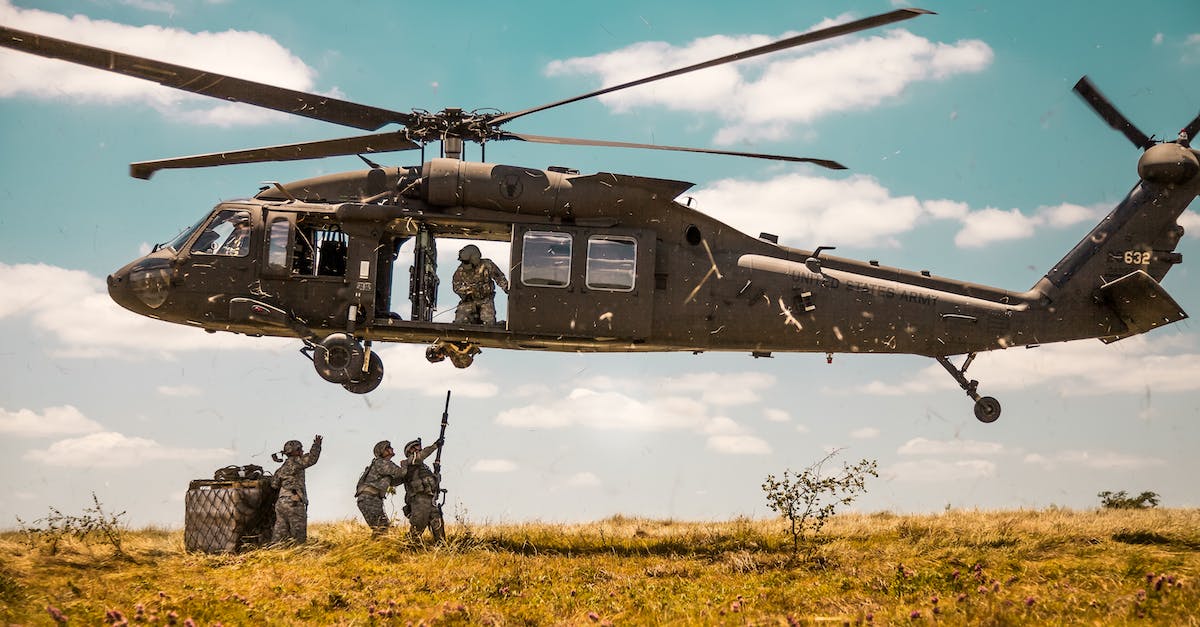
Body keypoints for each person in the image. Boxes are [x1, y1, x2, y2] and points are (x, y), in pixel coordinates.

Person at [269, 435, 322, 544]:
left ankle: (274, 554)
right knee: (299, 538)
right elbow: (312, 459)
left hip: (281, 504)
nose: (302, 451)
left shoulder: (281, 469)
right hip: (294, 503)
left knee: (279, 537)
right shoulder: (297, 462)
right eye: (300, 449)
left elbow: (274, 485)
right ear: (295, 451)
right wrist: (316, 445)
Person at [354, 440, 406, 536]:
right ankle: (372, 549)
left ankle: (374, 548)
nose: (392, 449)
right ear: (382, 451)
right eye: (388, 448)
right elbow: (401, 472)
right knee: (381, 528)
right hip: (369, 499)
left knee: (382, 528)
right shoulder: (381, 463)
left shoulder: (385, 464)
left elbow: (395, 481)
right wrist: (407, 464)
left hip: (372, 499)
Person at [400, 437, 445, 544]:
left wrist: (436, 473)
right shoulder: (409, 462)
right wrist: (435, 446)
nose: (419, 448)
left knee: (437, 523)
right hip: (419, 499)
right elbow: (421, 456)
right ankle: (409, 546)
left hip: (430, 498)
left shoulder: (423, 467)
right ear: (410, 450)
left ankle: (442, 546)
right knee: (419, 524)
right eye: (416, 447)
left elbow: (434, 483)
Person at [452, 244, 509, 325]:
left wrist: (508, 289)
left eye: (467, 262)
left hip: (486, 300)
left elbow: (499, 278)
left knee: (489, 323)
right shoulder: (460, 271)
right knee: (460, 322)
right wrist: (468, 291)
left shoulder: (487, 265)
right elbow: (456, 287)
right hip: (468, 302)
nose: (465, 264)